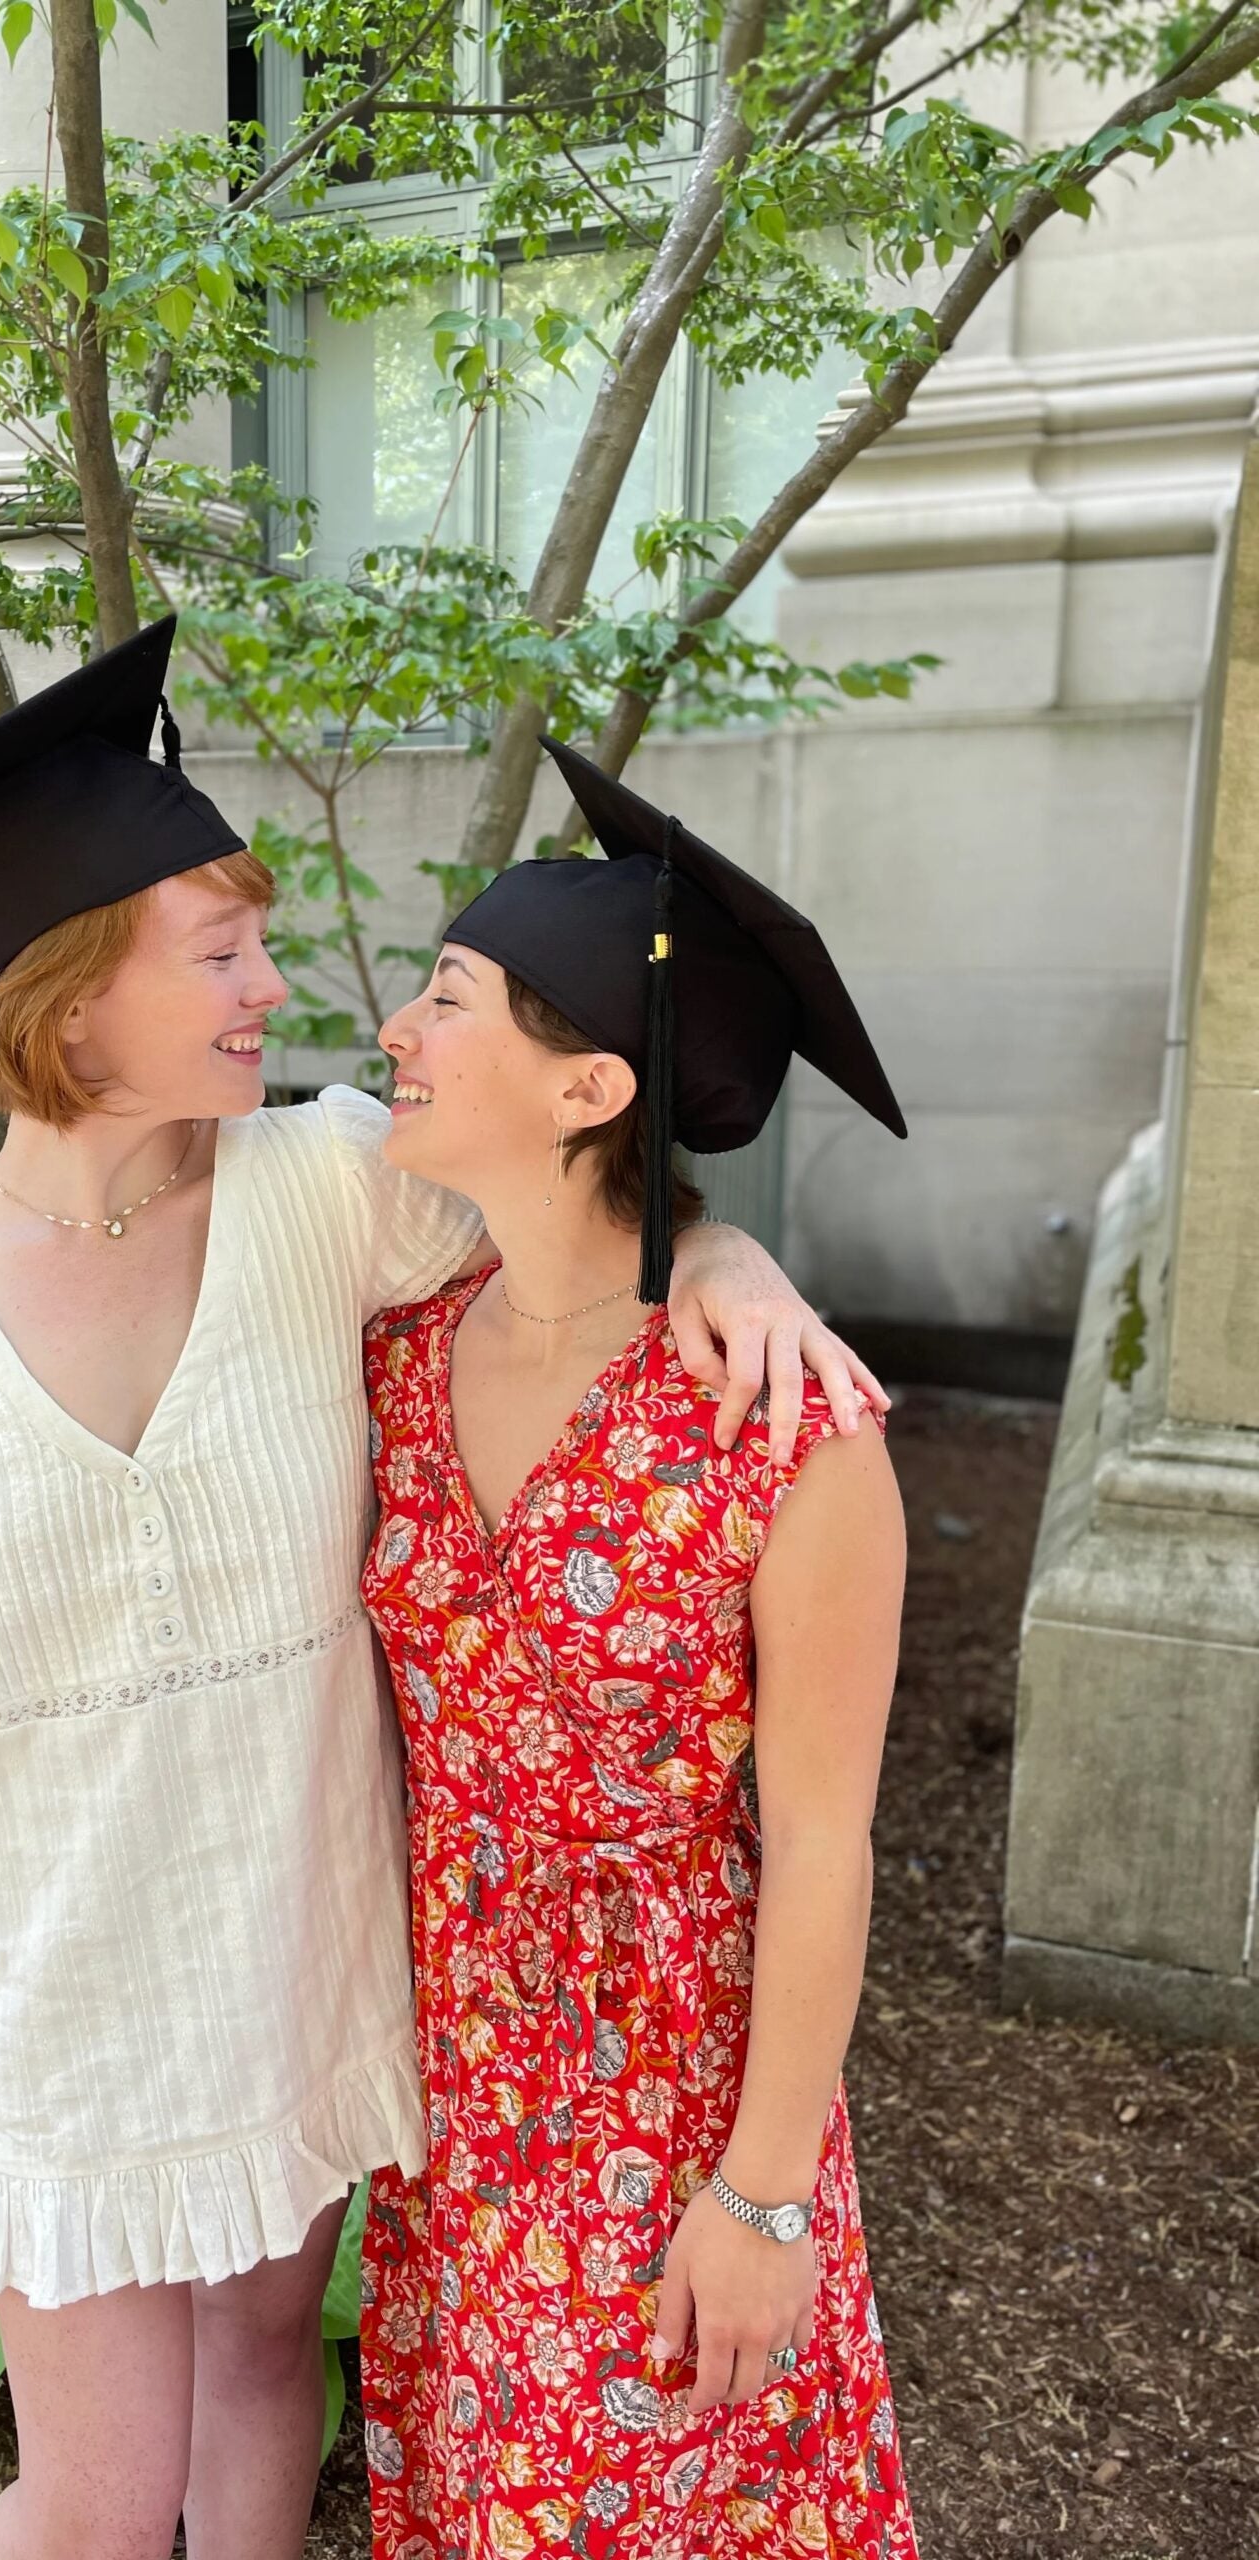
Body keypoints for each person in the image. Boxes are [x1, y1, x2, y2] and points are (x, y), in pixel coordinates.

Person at [0, 622, 891, 2560]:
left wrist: (736, 1263)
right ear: (71, 1001)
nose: (287, 988)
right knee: (86, 2495)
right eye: (223, 952)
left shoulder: (322, 1188)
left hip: (310, 1938)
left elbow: (594, 1176)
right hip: (68, 1967)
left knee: (269, 2389)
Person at [358, 738, 917, 2559]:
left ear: (589, 1082)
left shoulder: (787, 1432)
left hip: (670, 2096)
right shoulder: (393, 1358)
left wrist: (759, 2202)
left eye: (444, 1000)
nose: (395, 1030)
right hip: (450, 2083)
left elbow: (826, 1841)